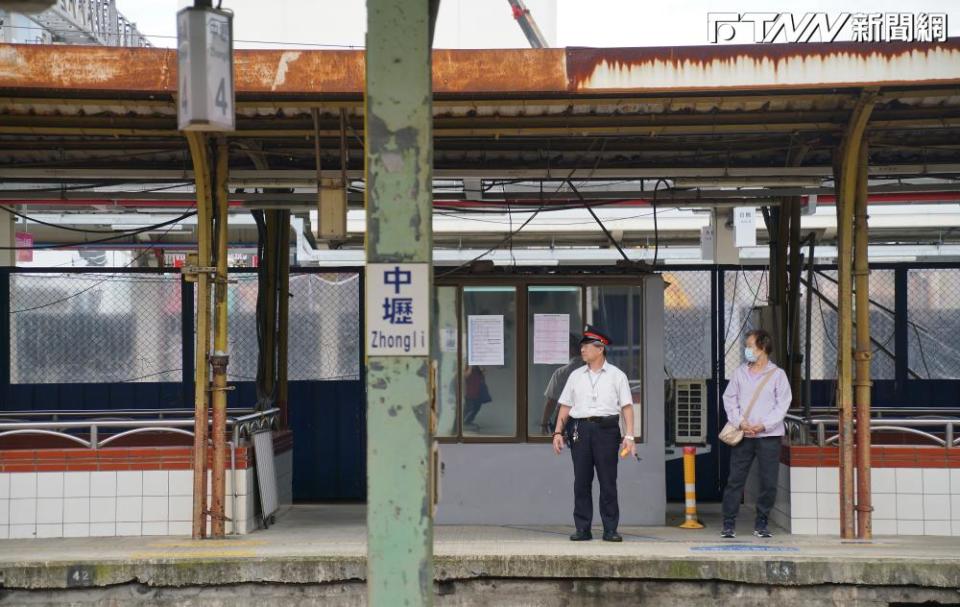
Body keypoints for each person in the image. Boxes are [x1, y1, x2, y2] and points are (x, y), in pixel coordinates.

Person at [552, 325, 636, 542]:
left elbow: (627, 407)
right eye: (582, 347)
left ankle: (610, 529)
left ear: (600, 349)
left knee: (608, 480)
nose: (582, 350)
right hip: (580, 429)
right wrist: (558, 432)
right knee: (581, 480)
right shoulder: (575, 376)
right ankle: (582, 528)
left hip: (607, 430)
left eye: (587, 346)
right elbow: (565, 406)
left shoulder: (617, 376)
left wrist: (629, 436)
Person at [720, 329, 791, 539]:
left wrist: (764, 425)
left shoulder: (777, 375)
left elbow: (783, 404)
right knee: (735, 480)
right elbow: (729, 399)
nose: (747, 350)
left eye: (750, 346)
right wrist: (741, 422)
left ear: (762, 348)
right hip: (744, 435)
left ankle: (762, 522)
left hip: (769, 436)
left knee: (768, 481)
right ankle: (729, 523)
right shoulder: (739, 373)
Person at [539, 334, 585, 435]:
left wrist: (544, 424)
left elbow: (551, 401)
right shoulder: (593, 369)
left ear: (571, 349)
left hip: (565, 422)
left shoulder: (561, 373)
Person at [463, 365, 491, 430]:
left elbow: (484, 373)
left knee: (476, 408)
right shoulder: (466, 366)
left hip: (478, 392)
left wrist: (480, 367)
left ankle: (468, 421)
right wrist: (470, 367)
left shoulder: (478, 368)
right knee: (469, 408)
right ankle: (464, 422)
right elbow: (465, 375)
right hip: (470, 392)